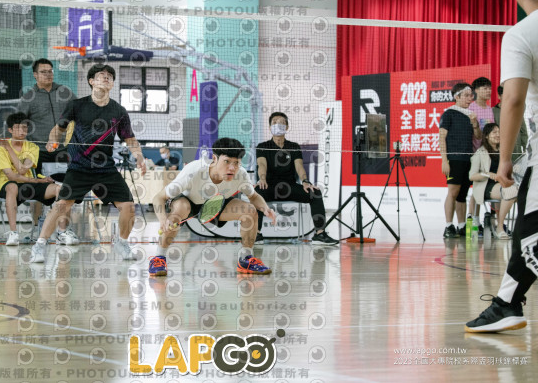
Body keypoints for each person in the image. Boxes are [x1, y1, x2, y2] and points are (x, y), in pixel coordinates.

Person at [466, 0, 538, 333]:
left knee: (530, 228)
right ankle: (507, 302)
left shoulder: (521, 34)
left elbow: (512, 100)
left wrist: (505, 159)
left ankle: (507, 304)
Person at [30, 64, 147, 263]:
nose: (106, 78)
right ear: (91, 81)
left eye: (110, 76)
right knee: (61, 205)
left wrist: (139, 155)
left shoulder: (118, 111)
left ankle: (122, 242)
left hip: (106, 168)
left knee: (128, 206)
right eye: (102, 75)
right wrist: (53, 140)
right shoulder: (77, 105)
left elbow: (129, 138)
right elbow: (58, 128)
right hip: (79, 167)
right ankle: (40, 245)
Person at [151, 138, 277, 276]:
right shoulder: (194, 170)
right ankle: (158, 258)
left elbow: (254, 196)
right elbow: (158, 197)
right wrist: (163, 219)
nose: (232, 168)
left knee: (250, 211)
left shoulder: (240, 175)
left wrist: (265, 209)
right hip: (188, 202)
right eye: (227, 161)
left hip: (216, 203)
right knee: (178, 211)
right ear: (214, 158)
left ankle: (246, 259)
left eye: (236, 163)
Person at [254, 112, 337, 246]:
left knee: (315, 193)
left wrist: (305, 181)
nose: (278, 125)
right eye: (274, 122)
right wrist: (262, 178)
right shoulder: (263, 146)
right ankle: (256, 234)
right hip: (270, 186)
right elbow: (261, 164)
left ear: (287, 127)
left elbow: (299, 167)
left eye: (281, 123)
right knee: (257, 192)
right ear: (269, 127)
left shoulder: (294, 146)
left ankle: (320, 234)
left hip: (290, 187)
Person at [0, 112, 74, 247]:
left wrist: (8, 148)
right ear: (10, 130)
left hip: (29, 183)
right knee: (12, 186)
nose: (22, 131)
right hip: (8, 187)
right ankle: (13, 233)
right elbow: (12, 176)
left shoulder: (32, 147)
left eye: (24, 128)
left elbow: (22, 170)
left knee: (61, 190)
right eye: (18, 128)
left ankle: (62, 233)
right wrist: (7, 147)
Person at [18, 58, 74, 230]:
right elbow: (19, 124)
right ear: (35, 75)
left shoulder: (64, 92)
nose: (48, 74)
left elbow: (78, 110)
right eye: (44, 72)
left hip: (64, 149)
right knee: (38, 189)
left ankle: (64, 230)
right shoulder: (28, 97)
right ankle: (37, 227)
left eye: (50, 71)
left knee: (69, 187)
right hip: (38, 151)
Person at [439, 83, 482, 238]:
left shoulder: (471, 115)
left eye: (471, 95)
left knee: (462, 194)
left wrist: (475, 124)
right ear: (457, 97)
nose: (470, 98)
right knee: (453, 192)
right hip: (454, 159)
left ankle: (462, 226)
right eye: (467, 95)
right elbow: (441, 137)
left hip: (468, 159)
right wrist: (445, 160)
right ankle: (448, 226)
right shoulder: (448, 113)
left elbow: (478, 137)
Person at [468, 123, 516, 239]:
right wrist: (487, 174)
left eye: (499, 132)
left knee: (518, 191)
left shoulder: (504, 152)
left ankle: (519, 228)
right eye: (494, 132)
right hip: (486, 186)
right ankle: (500, 227)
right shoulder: (480, 152)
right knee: (509, 191)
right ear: (486, 136)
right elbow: (472, 176)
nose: (498, 134)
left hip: (502, 184)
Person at [467, 77, 496, 235]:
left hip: (488, 153)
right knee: (476, 186)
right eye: (485, 88)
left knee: (482, 187)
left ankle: (482, 220)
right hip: (475, 153)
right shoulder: (471, 108)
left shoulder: (490, 109)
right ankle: (473, 220)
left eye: (489, 88)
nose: (488, 91)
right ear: (476, 90)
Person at [493, 84, 528, 161]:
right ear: (499, 96)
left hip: (516, 150)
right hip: (500, 150)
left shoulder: (516, 111)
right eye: (505, 95)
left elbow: (523, 132)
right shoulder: (493, 111)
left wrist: (526, 148)